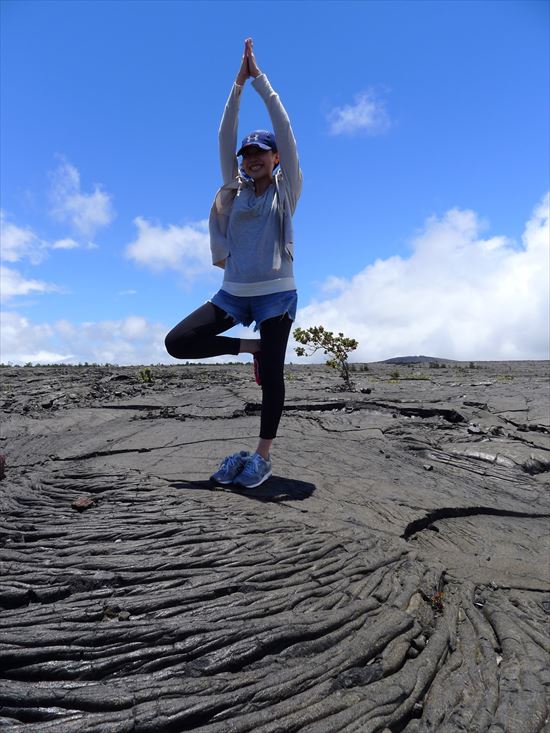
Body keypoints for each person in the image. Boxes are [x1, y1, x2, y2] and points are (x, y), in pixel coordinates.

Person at [164, 38, 302, 488]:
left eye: (261, 152)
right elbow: (224, 133)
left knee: (275, 379)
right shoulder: (233, 190)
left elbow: (285, 127)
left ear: (276, 157)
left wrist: (260, 80)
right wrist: (236, 87)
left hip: (276, 296)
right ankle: (252, 349)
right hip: (234, 294)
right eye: (247, 155)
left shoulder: (287, 190)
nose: (252, 158)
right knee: (178, 341)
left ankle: (262, 454)